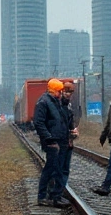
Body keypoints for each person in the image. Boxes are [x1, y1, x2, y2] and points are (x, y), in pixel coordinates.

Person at [33, 78, 71, 207]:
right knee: (52, 169)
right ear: (54, 90)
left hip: (59, 140)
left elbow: (62, 120)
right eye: (60, 91)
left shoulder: (55, 102)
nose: (61, 94)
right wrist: (49, 138)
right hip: (52, 142)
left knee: (54, 169)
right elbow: (38, 123)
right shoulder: (44, 102)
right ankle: (48, 196)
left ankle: (52, 196)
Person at [57, 81, 79, 192]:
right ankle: (56, 193)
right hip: (61, 142)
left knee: (65, 169)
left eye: (70, 92)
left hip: (68, 141)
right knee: (59, 168)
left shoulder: (68, 106)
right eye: (66, 91)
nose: (68, 94)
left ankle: (60, 191)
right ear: (61, 91)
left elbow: (70, 122)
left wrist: (73, 131)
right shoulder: (58, 106)